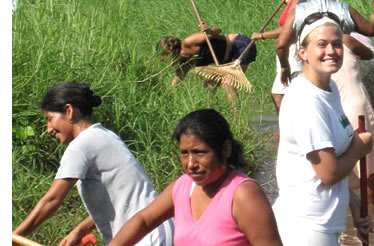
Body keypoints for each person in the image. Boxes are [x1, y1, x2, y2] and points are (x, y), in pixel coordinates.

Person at [12, 82, 174, 245]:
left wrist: (13, 237)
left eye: (49, 119)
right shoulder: (105, 136)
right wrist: (80, 230)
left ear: (68, 111)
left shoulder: (81, 144)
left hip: (147, 237)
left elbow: (52, 201)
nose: (48, 129)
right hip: (158, 230)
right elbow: (117, 198)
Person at [109, 109, 282, 246]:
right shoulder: (184, 187)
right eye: (184, 153)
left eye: (200, 152)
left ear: (226, 149)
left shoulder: (243, 194)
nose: (191, 163)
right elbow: (144, 220)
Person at [273, 13, 373, 246]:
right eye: (321, 44)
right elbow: (328, 173)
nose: (331, 51)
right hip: (304, 227)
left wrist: (354, 202)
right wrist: (358, 149)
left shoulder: (330, 90)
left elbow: (336, 156)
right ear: (302, 52)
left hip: (324, 224)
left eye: (336, 44)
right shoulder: (306, 100)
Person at [275, 0, 374, 87]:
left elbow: (280, 46)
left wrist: (285, 66)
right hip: (340, 70)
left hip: (314, 75)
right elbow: (370, 30)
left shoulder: (298, 11)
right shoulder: (343, 8)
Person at [331, 32, 374, 204]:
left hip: (346, 104)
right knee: (366, 165)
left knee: (361, 164)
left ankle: (369, 215)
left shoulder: (321, 42)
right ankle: (372, 215)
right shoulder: (343, 38)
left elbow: (367, 54)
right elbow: (368, 54)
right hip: (349, 103)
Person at [157, 23, 258, 101]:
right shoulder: (186, 62)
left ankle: (237, 116)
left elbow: (218, 30)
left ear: (169, 51)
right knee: (208, 85)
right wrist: (166, 97)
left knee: (228, 83)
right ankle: (213, 108)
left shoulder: (188, 42)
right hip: (226, 60)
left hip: (239, 46)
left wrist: (208, 31)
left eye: (164, 58)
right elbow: (177, 79)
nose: (165, 62)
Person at [251, 0, 305, 113]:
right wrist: (289, 0)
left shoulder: (300, 0)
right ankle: (288, 127)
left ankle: (288, 128)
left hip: (293, 52)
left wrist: (262, 35)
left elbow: (287, 29)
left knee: (278, 94)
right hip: (289, 51)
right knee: (285, 94)